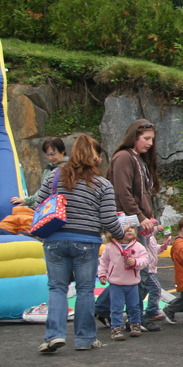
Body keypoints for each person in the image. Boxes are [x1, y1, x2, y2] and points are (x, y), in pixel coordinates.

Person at [35, 134, 125, 353]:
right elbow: (107, 219)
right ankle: (85, 339)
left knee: (57, 288)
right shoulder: (102, 184)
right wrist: (120, 233)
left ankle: (54, 336)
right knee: (85, 290)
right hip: (86, 241)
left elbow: (38, 203)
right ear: (97, 157)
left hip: (55, 240)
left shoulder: (55, 177)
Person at [98, 119, 163, 332]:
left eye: (152, 139)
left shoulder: (138, 159)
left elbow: (141, 193)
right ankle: (131, 315)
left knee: (135, 268)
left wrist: (149, 217)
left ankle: (110, 309)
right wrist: (140, 216)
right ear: (134, 137)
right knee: (137, 269)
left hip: (139, 220)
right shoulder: (124, 157)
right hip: (128, 222)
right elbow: (122, 191)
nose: (150, 143)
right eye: (146, 138)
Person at [98, 224, 149, 342]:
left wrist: (136, 262)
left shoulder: (138, 246)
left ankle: (135, 323)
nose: (130, 230)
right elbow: (104, 261)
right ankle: (116, 328)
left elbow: (145, 260)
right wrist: (102, 274)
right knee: (116, 307)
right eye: (126, 228)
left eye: (132, 228)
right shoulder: (110, 247)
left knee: (134, 306)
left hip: (132, 283)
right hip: (116, 284)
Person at [11, 137, 67, 208]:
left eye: (52, 154)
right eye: (48, 155)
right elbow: (42, 191)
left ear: (62, 151)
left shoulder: (71, 168)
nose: (50, 158)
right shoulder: (49, 168)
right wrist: (26, 201)